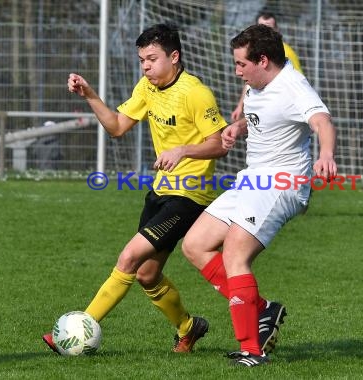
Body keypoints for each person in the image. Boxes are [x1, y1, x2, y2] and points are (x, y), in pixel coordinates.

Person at [42, 23, 229, 354]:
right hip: (160, 192)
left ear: (174, 57)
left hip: (188, 197)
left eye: (152, 59)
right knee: (146, 274)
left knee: (128, 257)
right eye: (142, 59)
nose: (146, 66)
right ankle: (188, 327)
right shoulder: (147, 87)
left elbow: (219, 144)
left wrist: (183, 150)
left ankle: (76, 331)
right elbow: (116, 126)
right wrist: (90, 95)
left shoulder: (195, 93)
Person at [181, 24, 337, 367]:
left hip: (283, 182)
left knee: (235, 250)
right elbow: (262, 117)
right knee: (195, 245)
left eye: (241, 64)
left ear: (263, 60)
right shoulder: (257, 85)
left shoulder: (292, 85)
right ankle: (262, 309)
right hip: (252, 180)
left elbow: (322, 120)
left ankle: (252, 350)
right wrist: (238, 126)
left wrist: (326, 154)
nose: (237, 72)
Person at [230, 10, 303, 122]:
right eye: (261, 28)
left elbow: (298, 83)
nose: (264, 32)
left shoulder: (286, 52)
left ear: (276, 30)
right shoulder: (252, 52)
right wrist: (240, 106)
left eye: (269, 28)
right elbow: (249, 80)